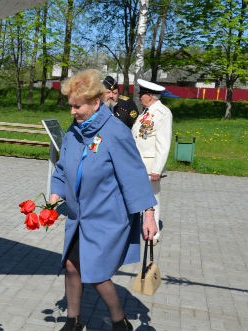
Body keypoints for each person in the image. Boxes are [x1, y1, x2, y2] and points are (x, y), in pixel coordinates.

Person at [49, 69, 158, 331]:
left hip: (106, 217)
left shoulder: (115, 132)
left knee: (96, 273)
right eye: (71, 106)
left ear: (95, 103)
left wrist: (149, 214)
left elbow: (134, 176)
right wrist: (56, 193)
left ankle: (120, 321)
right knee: (72, 266)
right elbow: (63, 168)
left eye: (77, 106)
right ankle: (73, 321)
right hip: (79, 217)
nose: (72, 112)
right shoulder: (75, 132)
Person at [131, 79, 173, 243]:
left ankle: (153, 234)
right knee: (142, 197)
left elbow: (164, 143)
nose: (140, 97)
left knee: (152, 199)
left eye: (141, 94)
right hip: (139, 163)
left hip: (150, 165)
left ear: (149, 95)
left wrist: (157, 168)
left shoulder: (162, 113)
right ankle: (143, 226)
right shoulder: (146, 112)